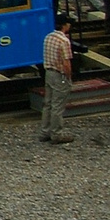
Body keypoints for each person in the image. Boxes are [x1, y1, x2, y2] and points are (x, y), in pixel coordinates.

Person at [40, 13, 76, 144]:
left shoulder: (48, 37)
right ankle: (57, 133)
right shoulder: (64, 41)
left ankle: (45, 132)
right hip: (59, 74)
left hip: (48, 73)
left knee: (48, 104)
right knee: (57, 106)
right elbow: (66, 63)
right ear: (65, 25)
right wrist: (68, 77)